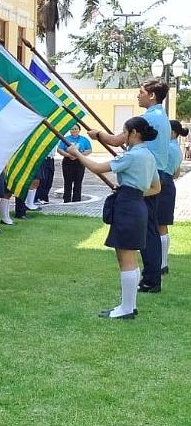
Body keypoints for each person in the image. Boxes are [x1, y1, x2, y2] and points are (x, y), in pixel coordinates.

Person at [66, 117, 160, 319]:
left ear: (134, 133)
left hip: (127, 207)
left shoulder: (133, 155)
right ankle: (129, 306)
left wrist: (76, 154)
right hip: (137, 205)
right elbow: (155, 188)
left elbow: (98, 168)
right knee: (131, 257)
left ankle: (126, 309)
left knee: (125, 258)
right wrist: (132, 189)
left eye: (124, 132)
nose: (122, 137)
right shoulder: (149, 155)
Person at [89, 78, 172, 293]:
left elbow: (118, 140)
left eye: (141, 91)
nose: (138, 94)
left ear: (151, 95)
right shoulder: (160, 115)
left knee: (148, 231)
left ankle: (151, 279)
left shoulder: (149, 118)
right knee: (150, 229)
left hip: (147, 177)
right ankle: (151, 276)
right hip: (154, 174)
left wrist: (98, 134)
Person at [162, 120, 188, 275]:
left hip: (162, 184)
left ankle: (162, 263)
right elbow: (176, 173)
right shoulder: (176, 149)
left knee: (159, 225)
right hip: (169, 184)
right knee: (162, 225)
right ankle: (163, 262)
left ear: (172, 133)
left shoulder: (166, 148)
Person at [57, 124, 92, 203]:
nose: (74, 130)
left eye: (76, 129)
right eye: (72, 129)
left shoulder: (84, 139)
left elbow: (89, 150)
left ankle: (76, 200)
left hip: (80, 162)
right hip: (68, 162)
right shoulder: (65, 139)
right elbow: (59, 149)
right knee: (67, 182)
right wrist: (68, 155)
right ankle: (66, 200)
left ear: (79, 130)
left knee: (78, 182)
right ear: (70, 130)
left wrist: (79, 155)